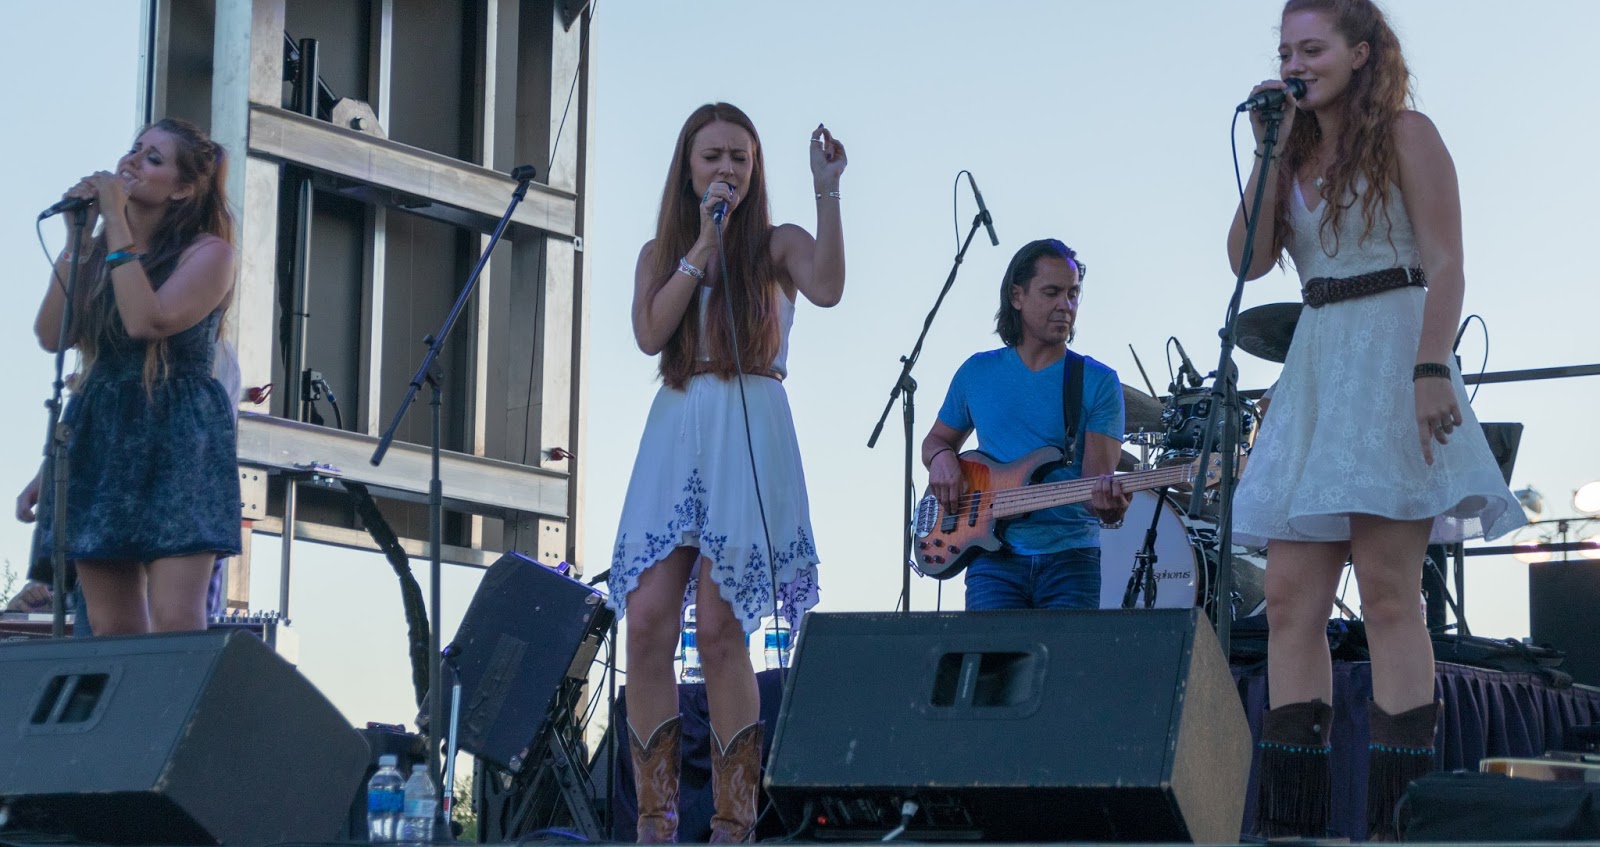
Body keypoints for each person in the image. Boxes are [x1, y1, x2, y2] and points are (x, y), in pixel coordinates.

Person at [1226, 1, 1524, 839]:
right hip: (1318, 362)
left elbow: (1447, 263)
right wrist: (1269, 151)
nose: (1295, 61)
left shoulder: (1407, 133)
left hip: (1393, 348)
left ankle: (1399, 825)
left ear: (1361, 53)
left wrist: (1432, 367)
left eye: (1312, 47)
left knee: (1392, 596)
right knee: (1288, 600)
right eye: (1286, 49)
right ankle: (1296, 822)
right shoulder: (1292, 150)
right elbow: (1246, 262)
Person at [607, 103, 845, 843]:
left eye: (740, 158)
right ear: (687, 165)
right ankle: (655, 819)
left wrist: (827, 190)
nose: (727, 170)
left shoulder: (777, 246)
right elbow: (651, 332)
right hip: (679, 423)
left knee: (719, 629)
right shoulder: (663, 250)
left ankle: (733, 823)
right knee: (646, 620)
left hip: (749, 422)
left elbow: (830, 286)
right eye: (713, 156)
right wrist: (699, 248)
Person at [30, 117, 241, 637]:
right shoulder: (103, 252)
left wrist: (116, 226)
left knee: (174, 619)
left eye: (153, 158)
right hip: (102, 429)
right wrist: (79, 241)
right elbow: (52, 334)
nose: (130, 162)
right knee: (110, 628)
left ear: (185, 188)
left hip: (178, 434)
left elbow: (148, 321)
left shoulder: (209, 254)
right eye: (134, 150)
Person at [921, 239, 1131, 611]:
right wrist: (941, 459)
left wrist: (1108, 507)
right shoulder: (976, 372)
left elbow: (1094, 486)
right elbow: (936, 440)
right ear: (1017, 296)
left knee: (1068, 669)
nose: (1065, 305)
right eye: (1051, 292)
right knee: (988, 668)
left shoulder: (1097, 381)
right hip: (991, 559)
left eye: (1072, 294)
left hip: (1071, 559)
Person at [17, 336, 243, 634]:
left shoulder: (207, 350)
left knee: (173, 627)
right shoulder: (104, 350)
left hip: (176, 507)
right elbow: (88, 428)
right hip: (108, 506)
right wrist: (46, 473)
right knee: (108, 636)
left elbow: (198, 438)